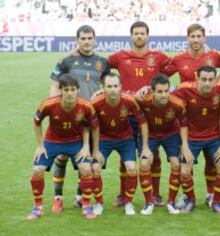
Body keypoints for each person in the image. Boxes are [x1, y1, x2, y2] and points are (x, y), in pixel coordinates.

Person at [108, 21, 171, 207]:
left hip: (151, 113)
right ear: (131, 36)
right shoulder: (119, 57)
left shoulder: (159, 57)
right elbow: (100, 66)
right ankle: (122, 195)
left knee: (154, 154)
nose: (139, 36)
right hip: (126, 113)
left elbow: (178, 64)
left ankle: (156, 194)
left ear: (148, 36)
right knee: (124, 156)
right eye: (136, 33)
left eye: (142, 33)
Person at [163, 23, 220, 207]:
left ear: (204, 38)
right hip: (187, 117)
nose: (196, 40)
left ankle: (210, 194)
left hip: (211, 115)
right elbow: (161, 74)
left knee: (211, 161)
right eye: (193, 36)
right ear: (187, 38)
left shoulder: (213, 55)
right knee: (185, 162)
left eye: (199, 36)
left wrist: (218, 84)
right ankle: (187, 196)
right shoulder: (180, 58)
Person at [49, 25, 110, 211]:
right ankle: (58, 198)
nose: (86, 41)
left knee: (85, 157)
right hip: (68, 116)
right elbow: (54, 85)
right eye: (82, 38)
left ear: (94, 39)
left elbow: (110, 85)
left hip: (92, 118)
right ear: (77, 40)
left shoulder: (102, 63)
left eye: (89, 38)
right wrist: (54, 109)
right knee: (61, 157)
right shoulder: (67, 61)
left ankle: (79, 197)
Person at [27, 75, 99, 220]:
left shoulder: (85, 105)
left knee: (86, 169)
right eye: (66, 89)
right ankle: (38, 207)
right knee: (37, 170)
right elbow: (36, 122)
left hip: (75, 141)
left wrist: (87, 147)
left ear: (78, 90)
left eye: (73, 89)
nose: (70, 93)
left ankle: (86, 204)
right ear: (61, 91)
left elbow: (92, 126)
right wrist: (40, 145)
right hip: (52, 141)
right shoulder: (48, 104)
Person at [90, 73, 152, 215]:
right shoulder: (95, 102)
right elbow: (89, 125)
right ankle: (99, 203)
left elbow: (143, 122)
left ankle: (128, 203)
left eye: (115, 86)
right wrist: (94, 150)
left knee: (131, 168)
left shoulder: (129, 100)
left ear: (120, 87)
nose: (112, 89)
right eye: (109, 86)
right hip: (104, 139)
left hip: (125, 139)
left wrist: (145, 147)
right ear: (103, 88)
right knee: (95, 168)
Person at [173, 65, 220, 214]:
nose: (207, 83)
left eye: (211, 80)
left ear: (215, 80)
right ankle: (190, 200)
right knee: (184, 172)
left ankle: (215, 202)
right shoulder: (184, 89)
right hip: (191, 138)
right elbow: (163, 91)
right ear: (197, 78)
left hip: (214, 138)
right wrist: (144, 90)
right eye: (203, 79)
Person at [135, 74, 188, 215]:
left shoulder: (177, 104)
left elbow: (183, 125)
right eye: (159, 91)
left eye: (166, 91)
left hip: (170, 134)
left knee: (176, 164)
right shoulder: (143, 99)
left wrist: (185, 146)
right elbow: (125, 96)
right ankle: (148, 202)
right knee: (145, 164)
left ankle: (171, 202)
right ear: (152, 91)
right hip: (150, 134)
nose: (164, 95)